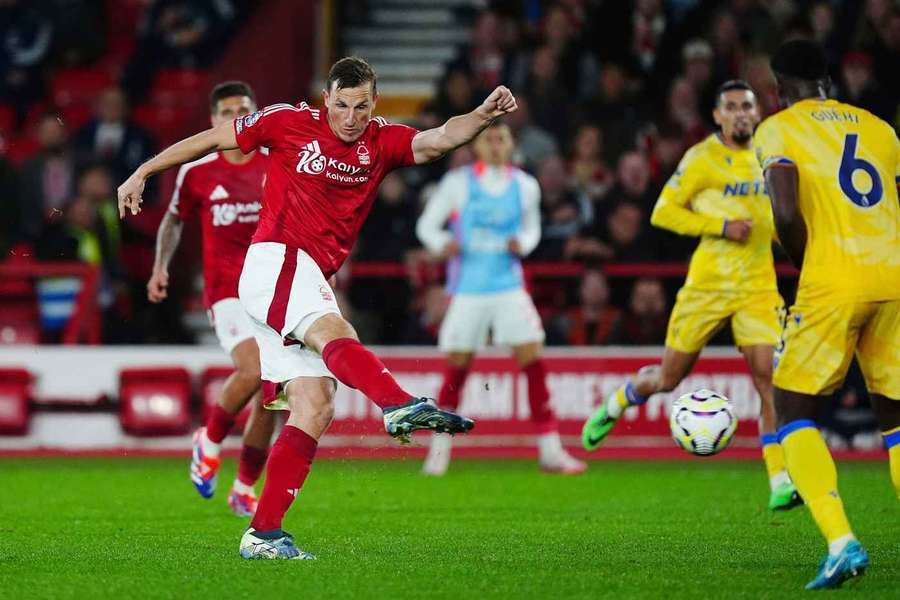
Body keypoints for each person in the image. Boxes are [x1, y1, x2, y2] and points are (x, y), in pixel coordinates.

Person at [118, 56, 516, 559]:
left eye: (362, 107)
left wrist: (482, 115)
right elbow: (212, 139)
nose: (350, 117)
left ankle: (262, 534)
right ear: (326, 98)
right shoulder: (287, 121)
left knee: (316, 403)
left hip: (307, 274)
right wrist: (144, 171)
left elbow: (438, 138)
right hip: (277, 259)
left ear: (375, 105)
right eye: (342, 104)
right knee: (334, 330)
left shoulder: (381, 141)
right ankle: (396, 403)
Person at [581, 80, 800, 513]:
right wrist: (719, 227)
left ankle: (780, 478)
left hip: (757, 286)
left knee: (768, 380)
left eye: (747, 106)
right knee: (668, 379)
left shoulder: (770, 154)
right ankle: (619, 400)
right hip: (706, 287)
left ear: (757, 113)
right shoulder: (701, 158)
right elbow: (663, 212)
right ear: (718, 116)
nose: (740, 113)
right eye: (731, 107)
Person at [756, 40, 900, 590]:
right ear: (828, 82)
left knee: (790, 405)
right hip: (892, 275)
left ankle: (841, 543)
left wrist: (805, 263)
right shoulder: (880, 129)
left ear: (778, 87)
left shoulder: (779, 128)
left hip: (833, 278)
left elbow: (786, 209)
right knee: (896, 419)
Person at [415, 122, 586, 476]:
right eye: (488, 139)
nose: (495, 144)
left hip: (508, 286)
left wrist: (522, 245)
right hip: (468, 289)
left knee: (533, 360)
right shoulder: (459, 183)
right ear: (477, 147)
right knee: (457, 367)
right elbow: (426, 226)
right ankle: (439, 452)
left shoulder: (525, 186)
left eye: (501, 139)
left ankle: (551, 451)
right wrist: (440, 244)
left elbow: (531, 228)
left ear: (511, 145)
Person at [148, 81, 274, 517]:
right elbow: (173, 221)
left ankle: (244, 486)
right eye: (227, 111)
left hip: (277, 290)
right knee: (255, 369)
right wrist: (160, 267)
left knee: (274, 394)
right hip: (228, 292)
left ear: (256, 113)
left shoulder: (278, 164)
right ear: (213, 121)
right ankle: (212, 439)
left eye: (244, 108)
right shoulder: (198, 171)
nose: (236, 116)